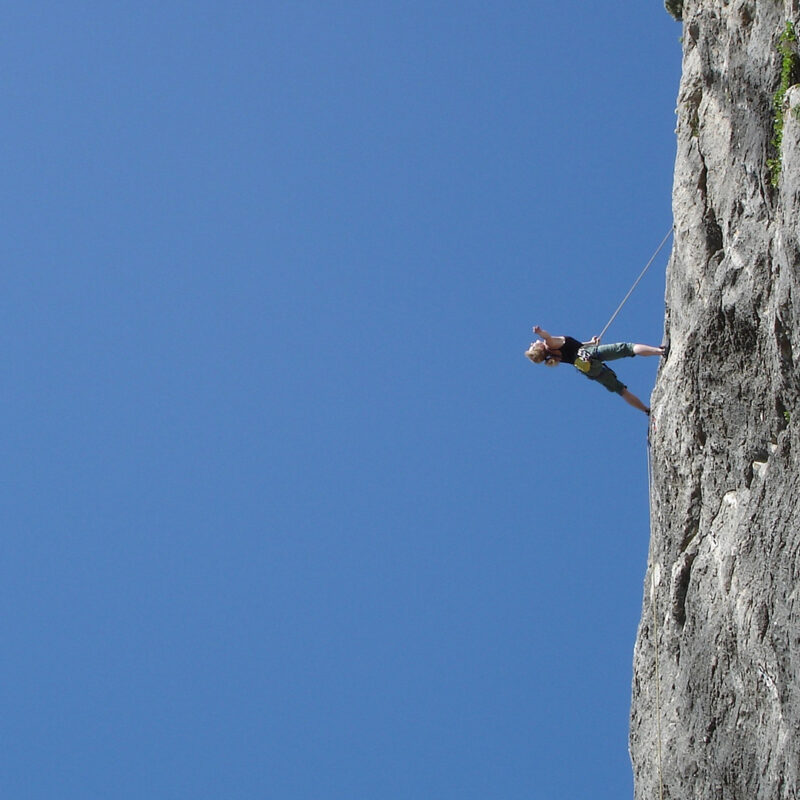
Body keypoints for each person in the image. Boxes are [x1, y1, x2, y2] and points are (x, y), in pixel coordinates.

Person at [524, 325, 667, 416]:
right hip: (588, 354)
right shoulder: (549, 344)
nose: (532, 343)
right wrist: (540, 332)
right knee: (627, 348)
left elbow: (575, 347)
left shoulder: (553, 356)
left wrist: (591, 343)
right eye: (532, 346)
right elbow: (547, 336)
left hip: (587, 369)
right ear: (539, 348)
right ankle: (660, 351)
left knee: (620, 390)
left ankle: (646, 410)